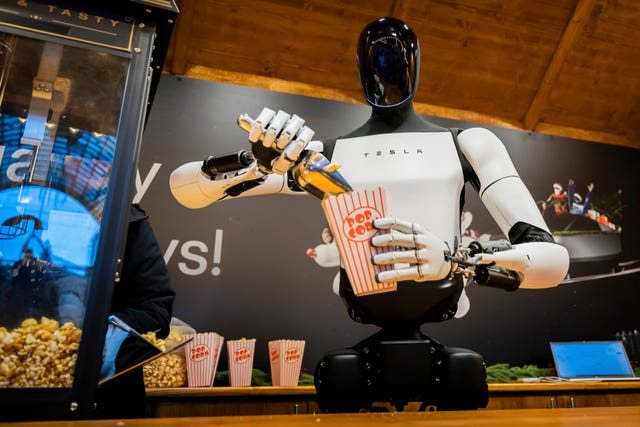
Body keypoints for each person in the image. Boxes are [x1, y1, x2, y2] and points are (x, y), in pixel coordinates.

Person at [169, 17, 569, 411]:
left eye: (395, 57)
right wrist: (256, 163)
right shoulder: (323, 158)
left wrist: (455, 262)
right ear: (362, 67)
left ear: (414, 62)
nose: (386, 69)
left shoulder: (467, 144)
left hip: (441, 299)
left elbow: (551, 261)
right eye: (377, 58)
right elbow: (185, 188)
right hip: (365, 312)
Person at [96, 204, 175, 419]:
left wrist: (110, 337)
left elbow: (156, 310)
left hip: (111, 402)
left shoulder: (129, 222)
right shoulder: (29, 211)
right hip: (25, 394)